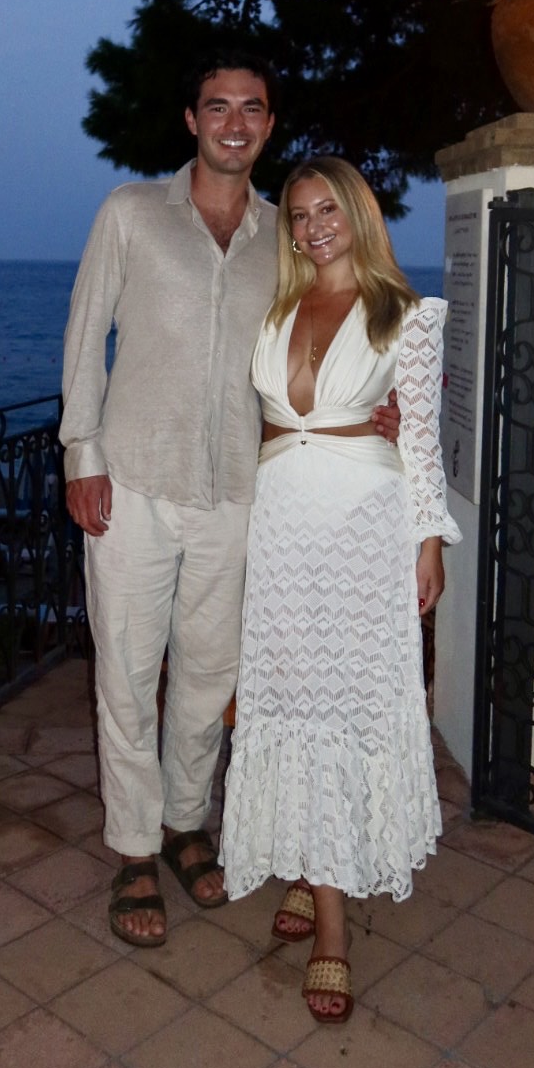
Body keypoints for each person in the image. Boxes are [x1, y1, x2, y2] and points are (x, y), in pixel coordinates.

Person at [60, 62, 400, 946]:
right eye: (219, 107)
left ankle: (185, 824)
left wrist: (377, 403)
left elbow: (324, 330)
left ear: (269, 125)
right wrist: (80, 454)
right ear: (192, 119)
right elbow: (85, 334)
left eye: (252, 108)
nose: (235, 122)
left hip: (239, 494)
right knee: (127, 673)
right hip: (131, 481)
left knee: (209, 677)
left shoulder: (280, 237)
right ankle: (135, 848)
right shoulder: (130, 213)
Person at [219, 155, 461, 1023]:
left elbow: (419, 438)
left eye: (328, 210)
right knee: (289, 702)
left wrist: (427, 543)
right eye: (299, 214)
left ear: (358, 214)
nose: (313, 226)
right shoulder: (275, 309)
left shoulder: (407, 315)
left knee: (345, 707)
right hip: (282, 527)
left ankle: (332, 930)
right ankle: (308, 859)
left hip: (363, 529)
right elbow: (256, 423)